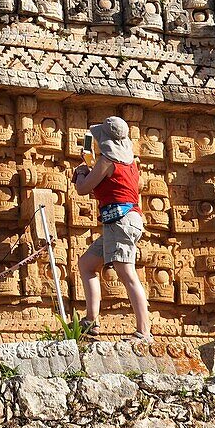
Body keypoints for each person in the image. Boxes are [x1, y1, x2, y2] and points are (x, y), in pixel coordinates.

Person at [73, 116, 151, 341]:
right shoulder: (131, 163)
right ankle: (91, 321)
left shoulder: (107, 161)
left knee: (126, 272)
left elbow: (83, 188)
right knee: (87, 264)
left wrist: (81, 172)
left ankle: (144, 332)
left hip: (121, 222)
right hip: (123, 221)